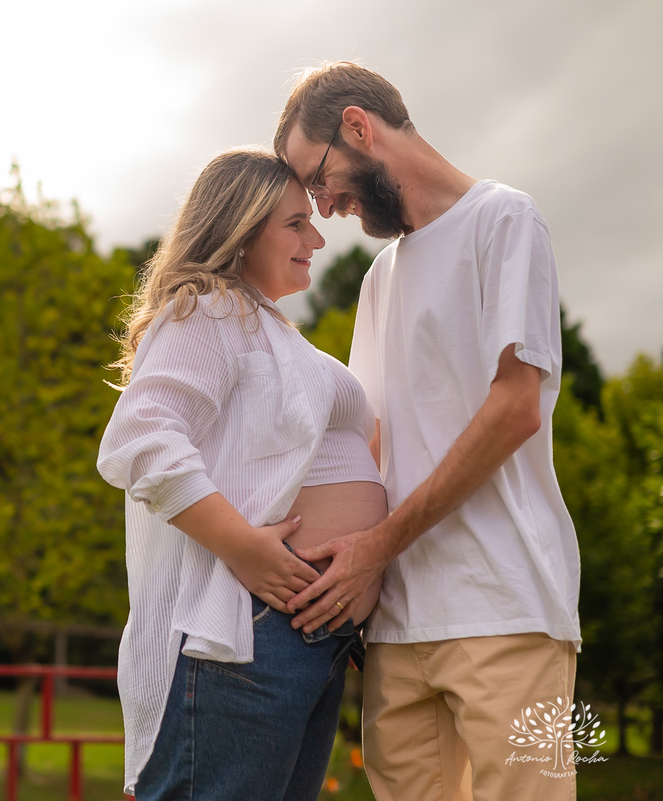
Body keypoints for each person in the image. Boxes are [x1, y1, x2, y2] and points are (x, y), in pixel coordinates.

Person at [273, 62, 581, 801]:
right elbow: (367, 443)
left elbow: (515, 408)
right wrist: (349, 579)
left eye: (318, 178)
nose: (324, 205)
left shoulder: (506, 220)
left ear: (357, 126)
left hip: (507, 607)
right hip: (396, 624)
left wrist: (376, 545)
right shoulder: (380, 276)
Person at [97, 148, 388, 801]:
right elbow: (142, 437)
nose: (316, 237)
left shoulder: (274, 330)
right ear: (240, 225)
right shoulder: (207, 308)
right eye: (294, 223)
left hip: (312, 634)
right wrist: (241, 543)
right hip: (249, 631)